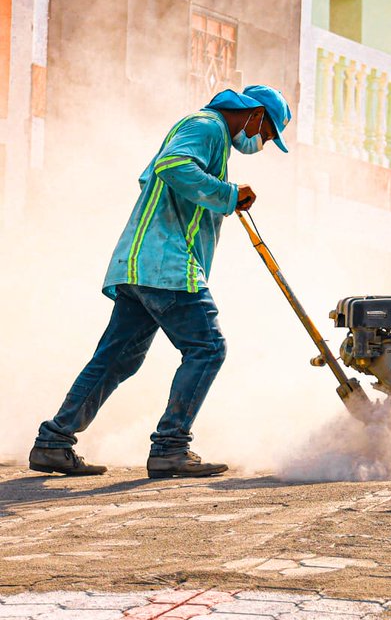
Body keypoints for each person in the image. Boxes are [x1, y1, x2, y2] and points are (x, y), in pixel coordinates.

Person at [29, 86, 292, 478]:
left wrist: (222, 197)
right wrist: (226, 193)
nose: (263, 143)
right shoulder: (207, 126)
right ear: (254, 115)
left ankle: (54, 442)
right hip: (168, 266)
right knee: (207, 347)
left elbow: (152, 177)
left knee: (116, 359)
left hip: (141, 265)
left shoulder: (208, 136)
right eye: (267, 134)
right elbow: (172, 166)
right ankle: (171, 446)